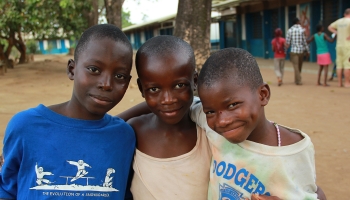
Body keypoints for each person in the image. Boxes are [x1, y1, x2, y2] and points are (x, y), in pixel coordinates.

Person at [0, 24, 136, 199]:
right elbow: (6, 190)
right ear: (72, 69)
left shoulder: (124, 137)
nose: (106, 84)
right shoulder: (26, 127)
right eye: (94, 70)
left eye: (119, 76)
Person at [190, 48, 322, 199]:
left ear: (263, 95)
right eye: (210, 112)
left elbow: (312, 194)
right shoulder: (213, 128)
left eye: (233, 105)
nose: (222, 121)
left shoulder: (294, 150)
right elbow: (184, 106)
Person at [119, 35, 212, 199]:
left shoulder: (209, 133)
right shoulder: (133, 130)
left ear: (195, 81)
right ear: (142, 88)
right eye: (154, 89)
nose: (168, 99)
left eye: (179, 85)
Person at [328, 8, 350, 87]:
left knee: (339, 65)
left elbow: (330, 27)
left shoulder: (339, 21)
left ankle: (339, 83)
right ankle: (347, 83)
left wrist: (336, 32)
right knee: (348, 65)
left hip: (339, 46)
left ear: (345, 14)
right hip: (347, 46)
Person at [286, 17, 310, 85]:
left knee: (295, 66)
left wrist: (285, 51)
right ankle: (298, 80)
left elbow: (287, 42)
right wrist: (308, 50)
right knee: (299, 66)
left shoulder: (289, 30)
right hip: (301, 51)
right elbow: (304, 41)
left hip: (293, 51)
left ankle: (297, 79)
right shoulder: (302, 30)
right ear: (298, 22)